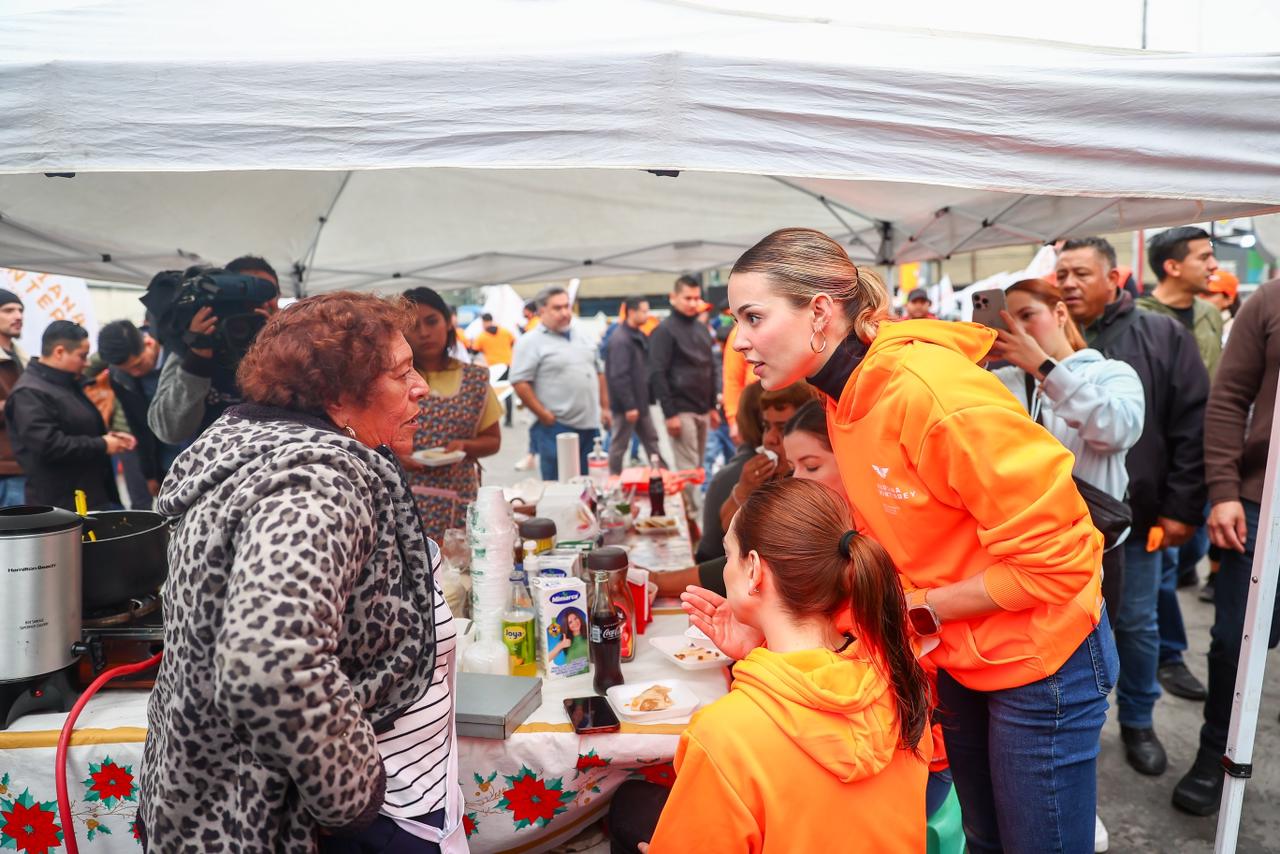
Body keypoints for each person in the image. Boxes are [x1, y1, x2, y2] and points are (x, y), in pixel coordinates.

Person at [720, 227, 1113, 854]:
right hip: (957, 657)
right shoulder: (843, 401)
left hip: (1043, 660)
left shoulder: (931, 393)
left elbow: (1059, 566)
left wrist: (922, 608)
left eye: (753, 317)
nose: (739, 341)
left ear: (819, 311)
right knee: (981, 841)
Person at [139, 292, 464, 852]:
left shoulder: (282, 452)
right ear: (338, 396)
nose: (421, 386)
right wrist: (353, 794)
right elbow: (268, 663)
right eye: (401, 372)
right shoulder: (316, 479)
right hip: (334, 822)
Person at [638, 478, 932, 853]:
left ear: (754, 570)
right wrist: (756, 647)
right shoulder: (902, 686)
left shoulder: (722, 735)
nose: (726, 569)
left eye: (729, 556)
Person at [1058, 236, 1209, 777]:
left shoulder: (1159, 332)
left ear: (1114, 278)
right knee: (1074, 629)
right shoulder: (1044, 343)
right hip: (1057, 528)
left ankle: (1138, 721)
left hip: (1136, 515)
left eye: (1081, 273)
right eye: (1061, 275)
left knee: (1138, 624)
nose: (1069, 284)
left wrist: (1182, 507)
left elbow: (1192, 423)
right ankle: (1085, 722)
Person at [1172, 276, 1280, 816]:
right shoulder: (1272, 298)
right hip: (1265, 500)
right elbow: (1229, 398)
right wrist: (1224, 491)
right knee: (1234, 642)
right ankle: (1219, 752)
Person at [990, 277, 1145, 627]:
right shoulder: (1004, 382)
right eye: (1006, 322)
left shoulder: (1111, 372)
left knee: (1091, 664)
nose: (1019, 329)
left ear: (1060, 312)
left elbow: (1116, 429)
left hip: (1097, 545)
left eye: (1027, 315)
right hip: (1024, 550)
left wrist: (1044, 368)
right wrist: (974, 360)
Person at [1137, 227, 1221, 702]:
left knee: (1188, 556)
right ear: (1172, 266)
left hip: (1203, 461)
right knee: (1163, 569)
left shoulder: (1209, 314)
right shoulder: (1141, 320)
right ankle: (1166, 658)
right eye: (1204, 257)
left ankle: (1163, 654)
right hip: (1161, 473)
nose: (1213, 266)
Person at [401, 287, 502, 545]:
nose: (424, 332)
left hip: (460, 498)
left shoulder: (475, 379)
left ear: (448, 322)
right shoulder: (392, 381)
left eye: (432, 321)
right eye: (413, 325)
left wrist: (465, 446)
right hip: (404, 500)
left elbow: (493, 440)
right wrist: (398, 456)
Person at [147, 255, 280, 444]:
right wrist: (198, 357)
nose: (262, 304)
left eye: (267, 294)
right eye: (247, 295)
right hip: (212, 465)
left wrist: (275, 347)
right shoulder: (194, 342)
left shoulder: (289, 345)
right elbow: (169, 431)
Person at [5, 321, 135, 511]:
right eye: (82, 356)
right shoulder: (29, 393)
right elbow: (48, 445)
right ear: (59, 352)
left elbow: (76, 426)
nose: (88, 363)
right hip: (64, 506)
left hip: (93, 494)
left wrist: (108, 437)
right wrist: (103, 444)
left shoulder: (65, 382)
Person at [699, 382, 812, 562]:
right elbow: (728, 527)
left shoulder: (807, 489)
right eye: (767, 426)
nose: (769, 439)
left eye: (782, 429)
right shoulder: (769, 477)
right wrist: (744, 489)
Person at [510, 286, 609, 481]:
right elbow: (520, 381)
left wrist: (605, 407)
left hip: (590, 425)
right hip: (557, 428)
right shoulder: (530, 342)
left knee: (591, 484)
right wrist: (544, 415)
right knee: (560, 486)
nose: (564, 313)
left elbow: (598, 371)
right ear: (542, 311)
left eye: (567, 307)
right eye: (557, 308)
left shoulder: (582, 334)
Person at [649, 275, 718, 505]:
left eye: (696, 298)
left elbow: (710, 366)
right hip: (680, 409)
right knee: (688, 469)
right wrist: (669, 413)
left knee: (697, 467)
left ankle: (695, 516)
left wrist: (712, 407)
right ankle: (693, 519)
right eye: (687, 298)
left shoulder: (702, 329)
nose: (692, 303)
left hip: (703, 408)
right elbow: (657, 372)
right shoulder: (664, 331)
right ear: (673, 298)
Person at [97, 320, 183, 503]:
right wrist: (150, 473)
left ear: (149, 343)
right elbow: (139, 425)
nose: (135, 373)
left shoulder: (179, 355)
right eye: (127, 370)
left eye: (137, 365)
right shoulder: (120, 376)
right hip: (165, 456)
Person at [604, 297, 664, 474]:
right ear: (631, 312)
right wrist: (629, 405)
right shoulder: (620, 339)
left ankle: (663, 476)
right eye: (644, 311)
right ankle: (613, 480)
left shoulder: (637, 335)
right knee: (619, 445)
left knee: (652, 441)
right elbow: (619, 375)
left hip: (640, 401)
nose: (647, 315)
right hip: (627, 405)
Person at [0, 288, 28, 506]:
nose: (18, 316)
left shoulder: (22, 357)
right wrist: (22, 405)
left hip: (22, 463)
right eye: (8, 310)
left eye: (20, 310)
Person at [470, 312, 517, 426]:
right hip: (507, 364)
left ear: (484, 322)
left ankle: (492, 420)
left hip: (494, 367)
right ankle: (509, 420)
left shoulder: (482, 336)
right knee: (507, 392)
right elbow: (513, 342)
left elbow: (474, 351)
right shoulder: (505, 332)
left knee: (492, 393)